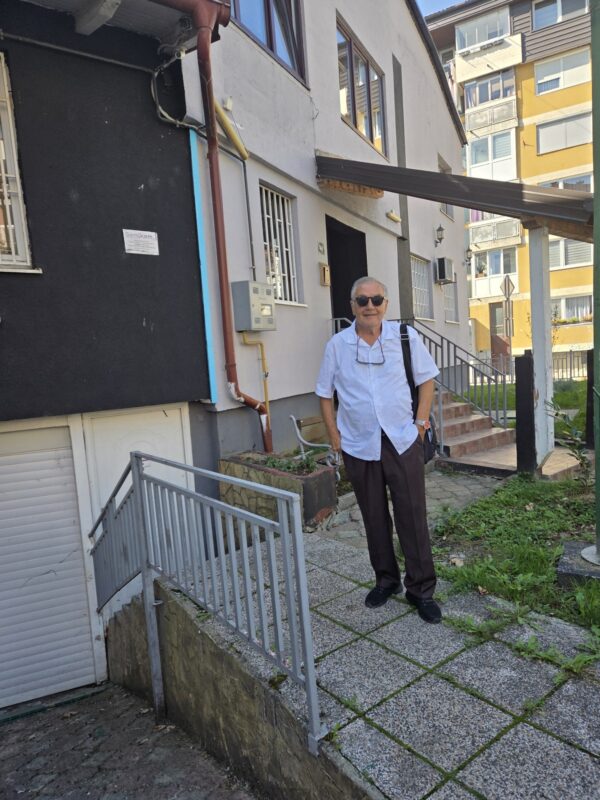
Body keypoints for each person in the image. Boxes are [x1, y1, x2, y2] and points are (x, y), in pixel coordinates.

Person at [316, 276, 441, 623]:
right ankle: (386, 581)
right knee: (373, 516)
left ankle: (421, 590)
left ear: (385, 304)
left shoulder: (405, 337)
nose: (369, 306)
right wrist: (334, 436)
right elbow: (324, 393)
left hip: (402, 440)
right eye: (362, 300)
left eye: (376, 299)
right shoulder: (337, 345)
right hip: (358, 444)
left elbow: (426, 380)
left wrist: (420, 426)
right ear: (352, 305)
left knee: (412, 516)